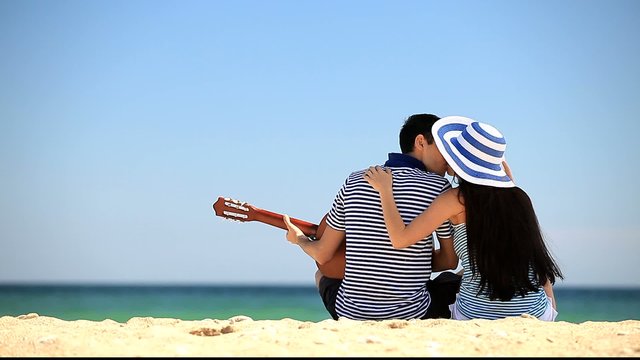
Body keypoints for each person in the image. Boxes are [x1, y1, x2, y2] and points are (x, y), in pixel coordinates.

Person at [364, 116, 564, 321]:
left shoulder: (455, 199)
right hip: (537, 315)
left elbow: (400, 238)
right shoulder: (520, 198)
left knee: (451, 280)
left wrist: (385, 191)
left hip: (474, 316)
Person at [283, 113, 461, 320]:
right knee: (457, 277)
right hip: (413, 314)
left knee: (320, 275)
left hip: (348, 313)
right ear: (421, 142)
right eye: (444, 148)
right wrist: (410, 260)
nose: (449, 159)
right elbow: (449, 260)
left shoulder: (354, 180)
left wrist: (300, 240)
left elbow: (322, 254)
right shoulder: (438, 187)